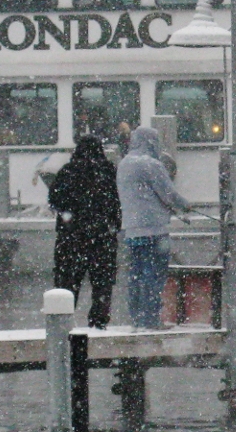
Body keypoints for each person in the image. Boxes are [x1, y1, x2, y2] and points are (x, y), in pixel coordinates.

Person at [116, 126, 191, 329]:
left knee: (136, 274)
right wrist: (185, 205)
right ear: (151, 142)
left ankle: (137, 317)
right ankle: (151, 319)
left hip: (131, 230)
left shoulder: (123, 164)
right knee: (154, 275)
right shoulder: (151, 164)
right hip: (154, 230)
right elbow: (168, 194)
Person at [48, 136, 121, 329]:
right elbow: (116, 203)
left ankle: (62, 324)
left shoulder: (67, 171)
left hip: (72, 237)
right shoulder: (108, 171)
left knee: (67, 283)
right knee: (102, 283)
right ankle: (98, 323)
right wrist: (113, 225)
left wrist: (70, 217)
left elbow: (54, 199)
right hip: (102, 237)